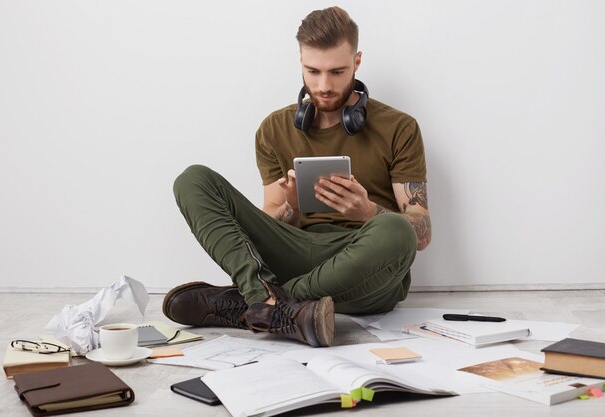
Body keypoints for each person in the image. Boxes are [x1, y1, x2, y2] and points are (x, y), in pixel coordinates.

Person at [162, 6, 431, 347]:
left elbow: (421, 234)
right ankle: (275, 304)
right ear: (300, 61)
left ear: (357, 61)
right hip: (296, 252)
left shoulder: (400, 127)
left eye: (337, 71)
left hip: (364, 269)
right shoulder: (274, 128)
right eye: (312, 71)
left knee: (396, 229)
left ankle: (256, 305)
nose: (324, 85)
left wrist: (367, 212)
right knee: (193, 179)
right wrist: (291, 208)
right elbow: (268, 223)